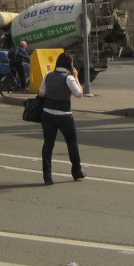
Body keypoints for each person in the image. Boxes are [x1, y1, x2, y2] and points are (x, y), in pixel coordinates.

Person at [38, 52, 86, 185]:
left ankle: (47, 177)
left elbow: (41, 93)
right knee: (72, 143)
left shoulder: (48, 75)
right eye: (71, 63)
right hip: (64, 116)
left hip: (47, 114)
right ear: (68, 65)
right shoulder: (68, 78)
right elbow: (79, 94)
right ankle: (77, 172)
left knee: (48, 145)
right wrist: (76, 77)